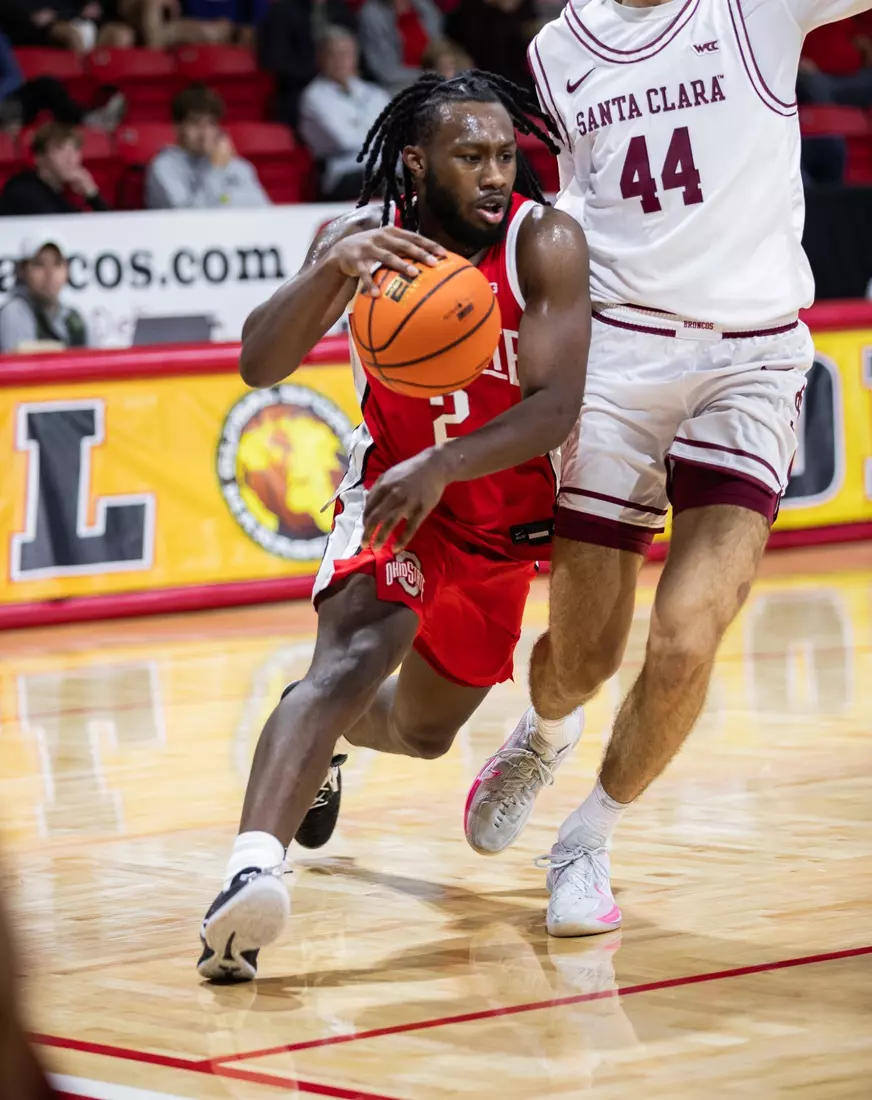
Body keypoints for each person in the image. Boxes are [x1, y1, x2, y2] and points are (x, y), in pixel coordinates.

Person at [464, 0, 857, 937]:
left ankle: (586, 840)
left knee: (686, 636)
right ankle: (545, 734)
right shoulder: (558, 49)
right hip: (624, 359)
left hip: (752, 358)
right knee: (581, 658)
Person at [196, 70, 591, 983]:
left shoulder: (545, 242)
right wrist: (335, 264)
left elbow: (557, 406)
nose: (497, 174)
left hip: (501, 520)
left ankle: (325, 742)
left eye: (506, 155)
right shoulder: (363, 238)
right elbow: (260, 362)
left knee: (422, 733)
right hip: (395, 498)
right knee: (349, 654)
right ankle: (248, 876)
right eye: (471, 156)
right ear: (417, 162)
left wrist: (445, 463)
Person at [299, 26, 390, 200]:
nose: (341, 60)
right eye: (334, 54)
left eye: (347, 54)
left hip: (384, 167)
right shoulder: (314, 97)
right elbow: (344, 140)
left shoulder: (375, 92)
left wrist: (359, 128)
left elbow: (395, 135)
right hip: (342, 174)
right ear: (321, 58)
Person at [145, 83, 270, 209]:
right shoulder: (164, 167)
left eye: (211, 124)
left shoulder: (237, 166)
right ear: (177, 128)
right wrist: (216, 170)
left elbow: (263, 210)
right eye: (195, 123)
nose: (204, 133)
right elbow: (188, 219)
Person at [257, 0, 358, 129]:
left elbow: (355, 51)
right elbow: (273, 60)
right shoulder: (282, 11)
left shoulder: (340, 10)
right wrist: (321, 70)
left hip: (342, 89)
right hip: (298, 92)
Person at [0, 122, 109, 215]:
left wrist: (92, 195)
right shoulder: (23, 189)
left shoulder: (62, 193)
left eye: (75, 149)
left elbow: (112, 229)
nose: (70, 157)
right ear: (39, 157)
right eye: (60, 149)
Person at [0, 239, 88, 354]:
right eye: (40, 264)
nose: (50, 274)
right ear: (23, 270)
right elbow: (22, 367)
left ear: (66, 269)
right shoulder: (14, 312)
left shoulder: (74, 319)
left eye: (57, 264)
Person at [358, 0, 442, 94]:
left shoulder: (424, 6)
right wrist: (426, 75)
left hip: (434, 78)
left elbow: (440, 49)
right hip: (398, 85)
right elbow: (386, 72)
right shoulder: (372, 13)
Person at [798, 15, 872, 107]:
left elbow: (858, 39)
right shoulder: (804, 20)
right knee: (815, 84)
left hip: (852, 75)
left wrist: (866, 48)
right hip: (820, 77)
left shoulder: (842, 18)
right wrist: (800, 60)